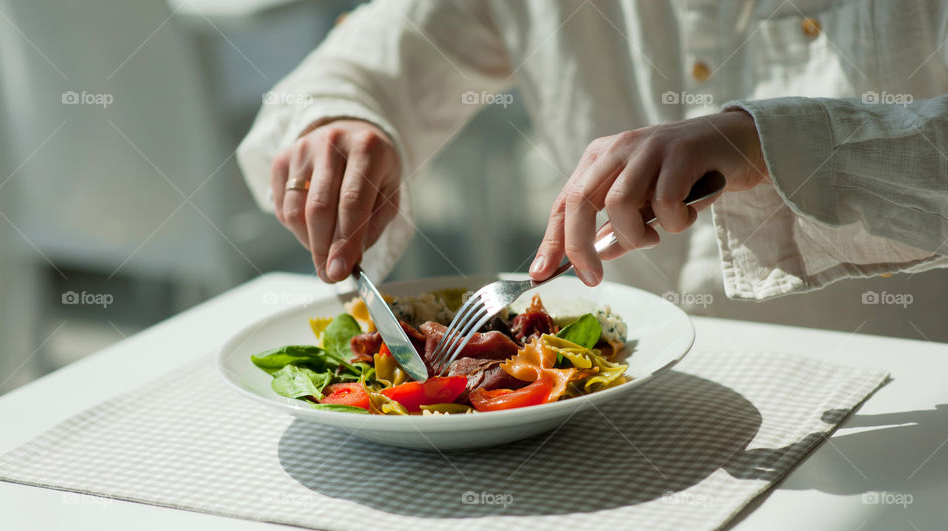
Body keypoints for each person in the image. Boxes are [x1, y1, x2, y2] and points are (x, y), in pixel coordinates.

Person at [238, 0, 948, 340]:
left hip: (908, 391)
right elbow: (360, 60)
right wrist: (334, 121)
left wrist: (769, 143)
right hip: (632, 395)